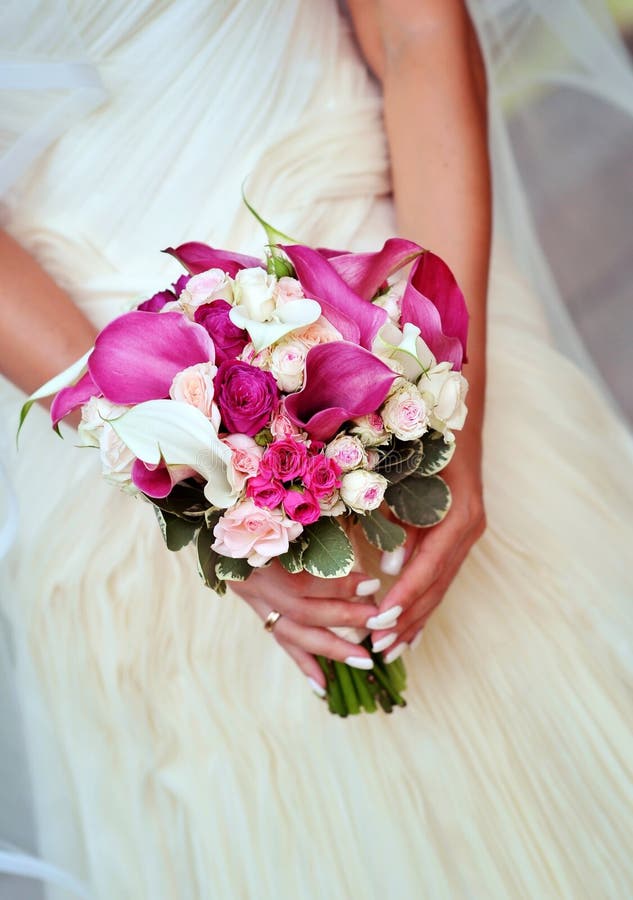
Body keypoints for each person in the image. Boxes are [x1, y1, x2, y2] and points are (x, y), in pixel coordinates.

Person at [0, 0, 632, 897]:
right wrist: (182, 479)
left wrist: (446, 384)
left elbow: (415, 29)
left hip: (384, 284)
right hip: (94, 377)